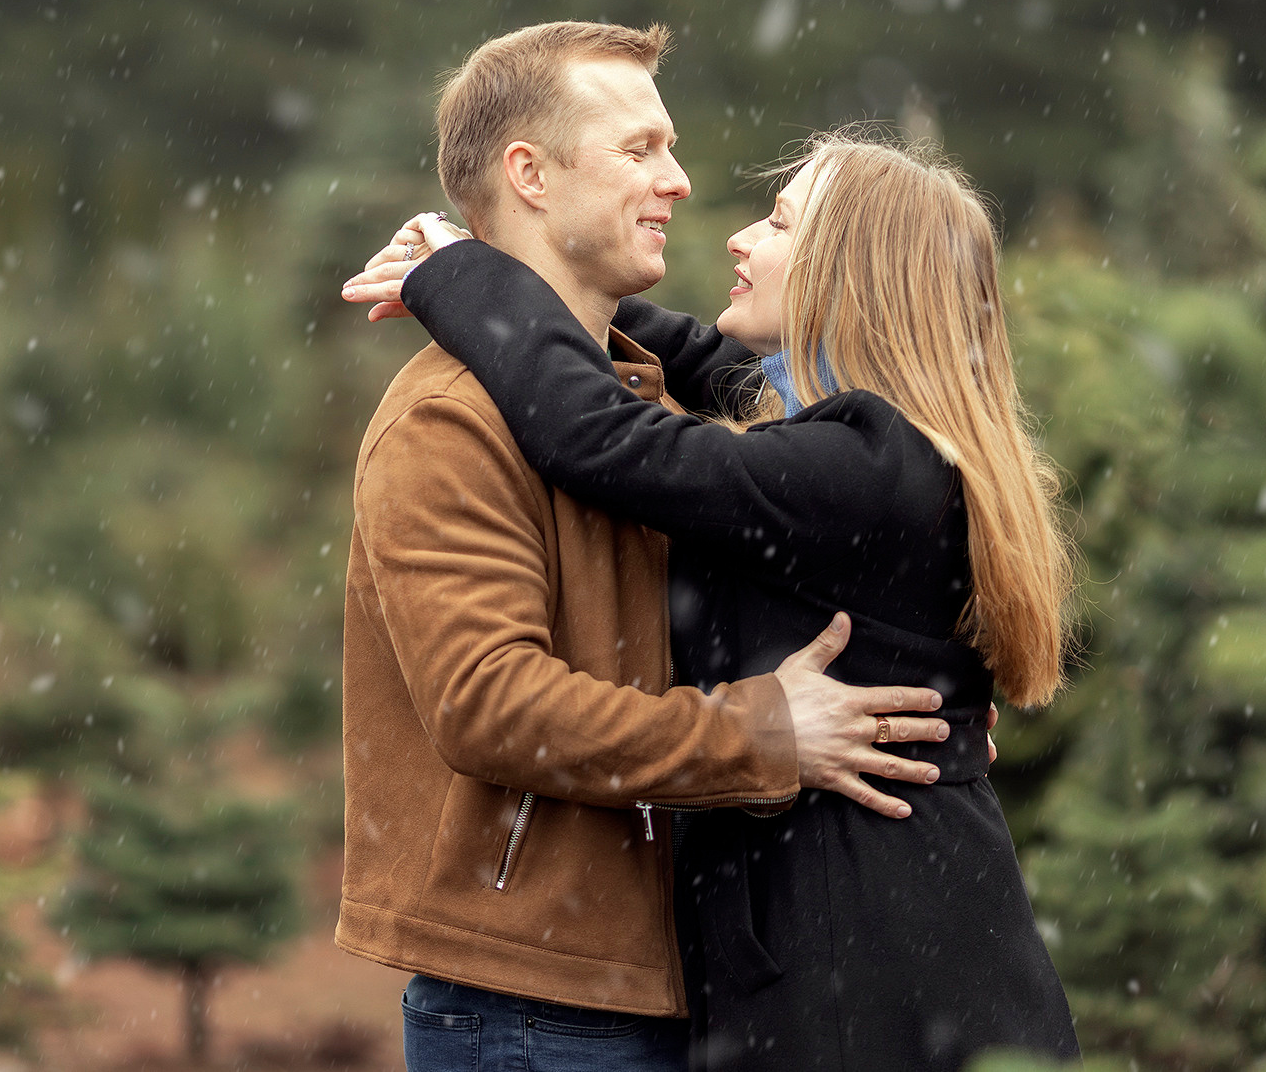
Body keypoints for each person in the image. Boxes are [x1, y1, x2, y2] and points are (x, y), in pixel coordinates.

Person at [347, 129, 1081, 1071]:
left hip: (864, 955)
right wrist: (553, 282)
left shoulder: (863, 465)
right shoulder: (883, 444)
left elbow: (602, 439)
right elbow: (704, 360)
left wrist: (464, 282)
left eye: (777, 223)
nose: (738, 238)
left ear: (848, 278)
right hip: (895, 923)